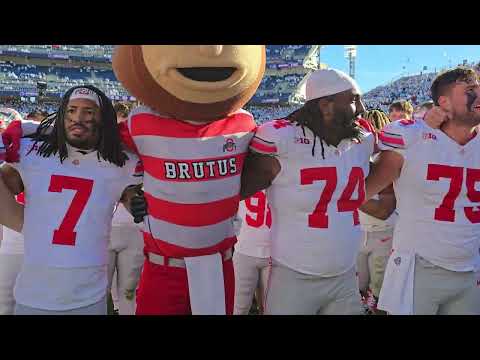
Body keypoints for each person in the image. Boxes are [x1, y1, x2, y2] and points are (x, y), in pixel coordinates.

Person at [240, 68, 377, 315]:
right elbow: (237, 189)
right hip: (293, 277)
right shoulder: (282, 139)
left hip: (345, 275)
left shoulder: (362, 141)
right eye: (354, 99)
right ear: (326, 105)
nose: (362, 108)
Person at [0, 85, 142, 315]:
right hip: (34, 292)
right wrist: (24, 223)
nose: (78, 118)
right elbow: (8, 183)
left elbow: (130, 192)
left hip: (88, 294)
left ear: (103, 118)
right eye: (72, 110)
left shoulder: (120, 162)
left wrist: (134, 199)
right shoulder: (34, 152)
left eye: (88, 112)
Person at [367, 67, 480, 315]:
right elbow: (360, 188)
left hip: (470, 269)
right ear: (444, 102)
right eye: (471, 91)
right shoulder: (411, 137)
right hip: (419, 266)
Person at [357, 110, 397, 314]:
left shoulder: (385, 160)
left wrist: (344, 195)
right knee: (355, 291)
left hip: (382, 232)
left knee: (381, 295)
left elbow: (384, 210)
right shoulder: (345, 160)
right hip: (356, 234)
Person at [107, 102, 144, 315]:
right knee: (98, 290)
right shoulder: (97, 151)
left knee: (129, 290)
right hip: (104, 227)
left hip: (133, 229)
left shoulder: (142, 151)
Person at [232, 190, 271, 315]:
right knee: (238, 308)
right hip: (244, 250)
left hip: (275, 254)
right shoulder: (243, 173)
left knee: (271, 308)